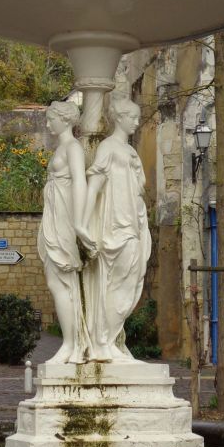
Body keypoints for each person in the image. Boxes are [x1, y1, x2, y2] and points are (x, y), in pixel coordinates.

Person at [76, 94, 151, 361]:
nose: (136, 122)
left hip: (132, 225)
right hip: (115, 227)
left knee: (130, 283)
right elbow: (94, 185)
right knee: (114, 285)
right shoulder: (108, 147)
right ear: (120, 118)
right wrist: (82, 223)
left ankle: (111, 340)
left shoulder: (131, 151)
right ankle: (102, 341)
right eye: (132, 117)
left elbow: (139, 193)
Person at [38, 101, 91, 363]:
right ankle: (70, 343)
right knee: (55, 282)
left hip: (65, 219)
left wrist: (80, 224)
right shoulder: (63, 147)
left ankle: (72, 344)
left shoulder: (73, 148)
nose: (48, 124)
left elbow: (80, 183)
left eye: (51, 119)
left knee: (62, 282)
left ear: (65, 119)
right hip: (54, 216)